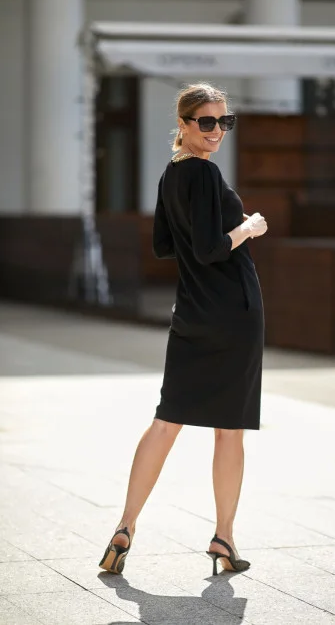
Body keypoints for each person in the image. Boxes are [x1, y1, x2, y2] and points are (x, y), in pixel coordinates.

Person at [99, 82, 268, 577]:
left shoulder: (172, 173)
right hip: (233, 314)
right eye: (206, 121)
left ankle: (125, 526)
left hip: (191, 313)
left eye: (224, 121)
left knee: (166, 421)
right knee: (229, 430)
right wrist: (248, 227)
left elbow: (164, 245)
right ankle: (223, 537)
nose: (217, 131)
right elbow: (211, 249)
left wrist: (211, 232)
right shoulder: (205, 173)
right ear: (184, 123)